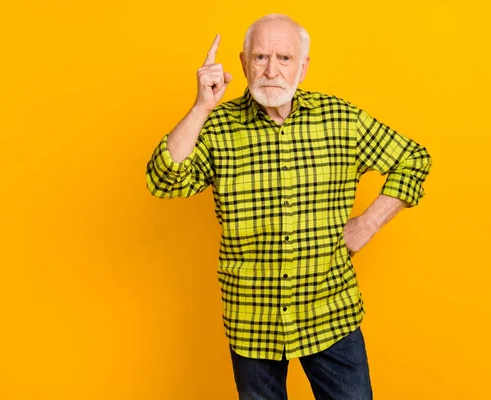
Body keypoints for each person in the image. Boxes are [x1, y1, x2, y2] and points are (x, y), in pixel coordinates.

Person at [145, 13, 432, 400]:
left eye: (284, 58)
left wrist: (367, 224)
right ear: (244, 64)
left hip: (331, 312)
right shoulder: (217, 127)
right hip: (253, 319)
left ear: (303, 66)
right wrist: (200, 108)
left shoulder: (340, 119)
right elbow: (164, 180)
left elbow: (413, 158)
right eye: (260, 57)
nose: (271, 70)